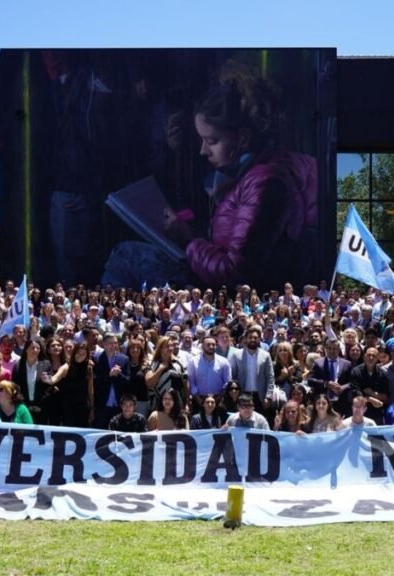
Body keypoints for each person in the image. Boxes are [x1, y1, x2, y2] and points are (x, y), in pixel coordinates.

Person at [101, 61, 318, 289]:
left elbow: (235, 271)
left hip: (219, 290)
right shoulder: (248, 175)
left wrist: (189, 240)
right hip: (210, 277)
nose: (203, 151)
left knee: (126, 255)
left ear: (242, 139)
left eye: (211, 141)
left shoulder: (264, 182)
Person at [12, 338, 56, 425]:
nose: (35, 350)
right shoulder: (18, 366)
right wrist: (24, 404)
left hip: (41, 408)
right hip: (24, 407)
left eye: (37, 348)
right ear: (26, 350)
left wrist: (40, 404)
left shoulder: (46, 365)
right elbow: (15, 387)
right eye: (32, 348)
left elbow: (49, 387)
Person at [53, 341, 94, 428]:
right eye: (78, 353)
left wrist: (92, 408)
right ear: (74, 352)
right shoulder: (66, 367)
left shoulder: (88, 369)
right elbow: (55, 378)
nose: (80, 356)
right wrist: (48, 379)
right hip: (68, 408)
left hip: (83, 408)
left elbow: (90, 390)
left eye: (84, 354)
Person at [228, 325, 274, 404]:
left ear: (259, 339)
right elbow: (232, 376)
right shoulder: (237, 355)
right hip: (242, 395)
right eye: (250, 337)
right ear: (246, 339)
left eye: (255, 338)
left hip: (260, 396)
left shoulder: (265, 355)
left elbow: (270, 376)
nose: (253, 340)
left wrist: (268, 396)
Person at [93, 332, 130, 428]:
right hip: (102, 405)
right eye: (110, 343)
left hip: (119, 405)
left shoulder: (124, 359)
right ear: (104, 345)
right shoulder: (96, 359)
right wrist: (109, 375)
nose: (113, 346)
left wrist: (119, 374)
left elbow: (128, 381)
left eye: (115, 343)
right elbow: (95, 381)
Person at [349, 347, 389, 423]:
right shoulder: (356, 372)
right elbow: (355, 393)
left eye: (374, 356)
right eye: (369, 355)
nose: (371, 358)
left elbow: (386, 396)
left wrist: (372, 394)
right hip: (359, 413)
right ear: (364, 356)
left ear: (377, 358)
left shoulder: (383, 374)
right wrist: (371, 399)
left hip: (377, 413)